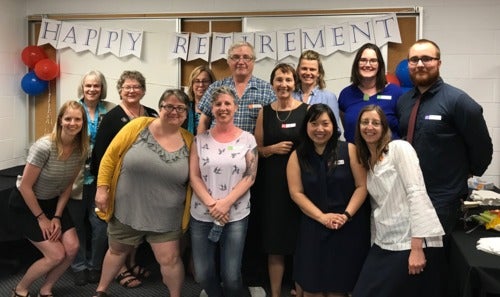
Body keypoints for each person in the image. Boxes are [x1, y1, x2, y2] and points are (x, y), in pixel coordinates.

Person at [92, 89, 193, 297]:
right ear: (160, 108)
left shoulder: (190, 141)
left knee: (170, 260)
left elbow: (196, 178)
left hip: (167, 215)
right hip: (127, 208)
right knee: (116, 251)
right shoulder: (138, 126)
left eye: (181, 108)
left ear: (186, 113)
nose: (174, 112)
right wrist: (102, 188)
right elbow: (109, 157)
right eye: (169, 106)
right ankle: (100, 291)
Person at [396, 39, 493, 234]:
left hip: (443, 200)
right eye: (414, 60)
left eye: (427, 59)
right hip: (409, 194)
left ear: (439, 63)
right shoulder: (404, 102)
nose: (420, 64)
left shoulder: (458, 101)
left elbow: (482, 148)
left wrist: (464, 176)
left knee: (436, 259)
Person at [352, 104, 445, 297]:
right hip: (384, 242)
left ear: (384, 127)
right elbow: (377, 207)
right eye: (365, 122)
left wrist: (417, 248)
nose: (369, 127)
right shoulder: (368, 161)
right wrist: (374, 242)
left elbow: (417, 193)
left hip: (409, 242)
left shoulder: (399, 149)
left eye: (375, 123)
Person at [286, 104, 370, 297]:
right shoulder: (297, 156)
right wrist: (322, 217)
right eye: (314, 123)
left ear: (333, 125)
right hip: (313, 226)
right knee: (311, 288)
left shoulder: (349, 149)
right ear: (306, 126)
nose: (320, 129)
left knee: (338, 288)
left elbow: (362, 186)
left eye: (325, 123)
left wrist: (346, 215)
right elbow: (296, 193)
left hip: (346, 226)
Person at [8, 101, 88, 297]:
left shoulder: (82, 149)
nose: (72, 123)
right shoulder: (44, 147)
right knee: (56, 254)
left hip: (53, 202)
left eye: (77, 119)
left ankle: (46, 289)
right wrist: (42, 218)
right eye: (68, 118)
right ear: (60, 120)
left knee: (72, 248)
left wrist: (58, 217)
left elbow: (68, 186)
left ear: (82, 123)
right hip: (26, 204)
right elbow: (25, 187)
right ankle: (20, 289)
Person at [90, 70, 159, 289]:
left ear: (143, 90)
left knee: (137, 225)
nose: (131, 91)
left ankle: (131, 262)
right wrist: (104, 188)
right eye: (127, 87)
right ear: (120, 90)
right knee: (120, 228)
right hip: (119, 185)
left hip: (145, 185)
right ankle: (120, 268)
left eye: (136, 87)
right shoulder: (111, 118)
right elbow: (101, 156)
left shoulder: (151, 113)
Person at [189, 86, 258, 297]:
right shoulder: (199, 140)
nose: (223, 108)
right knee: (203, 274)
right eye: (218, 104)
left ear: (236, 107)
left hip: (235, 214)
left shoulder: (248, 139)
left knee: (231, 276)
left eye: (228, 103)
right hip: (202, 213)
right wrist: (213, 205)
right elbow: (194, 177)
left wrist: (226, 203)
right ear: (212, 108)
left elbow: (250, 176)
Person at [254, 63, 308, 297]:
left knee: (300, 241)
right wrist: (272, 149)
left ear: (294, 83)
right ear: (272, 84)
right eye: (279, 80)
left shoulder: (307, 110)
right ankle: (275, 294)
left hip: (301, 184)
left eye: (288, 80)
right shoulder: (265, 112)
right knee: (275, 242)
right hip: (273, 185)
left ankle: (301, 290)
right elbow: (257, 150)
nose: (283, 84)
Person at [67, 70, 116, 286]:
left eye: (96, 85)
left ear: (102, 87)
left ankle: (95, 265)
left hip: (101, 179)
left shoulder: (112, 110)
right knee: (76, 225)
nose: (92, 89)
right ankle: (78, 267)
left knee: (100, 226)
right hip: (75, 179)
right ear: (82, 87)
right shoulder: (72, 109)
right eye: (88, 85)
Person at [197, 41, 276, 134]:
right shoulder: (215, 88)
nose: (241, 62)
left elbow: (274, 124)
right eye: (236, 57)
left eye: (246, 57)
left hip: (252, 148)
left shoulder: (267, 90)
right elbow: (204, 121)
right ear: (228, 61)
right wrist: (200, 146)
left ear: (253, 61)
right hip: (217, 147)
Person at [338, 43, 403, 143]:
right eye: (363, 60)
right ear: (357, 64)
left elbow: (404, 128)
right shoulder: (346, 94)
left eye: (373, 61)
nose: (368, 65)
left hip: (388, 155)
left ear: (380, 65)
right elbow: (347, 127)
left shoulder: (395, 93)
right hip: (355, 156)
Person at [293, 50, 342, 133]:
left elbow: (335, 130)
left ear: (319, 73)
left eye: (312, 69)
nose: (308, 73)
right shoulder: (291, 97)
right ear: (298, 70)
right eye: (304, 68)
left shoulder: (329, 97)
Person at [185, 65, 216, 135]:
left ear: (212, 84)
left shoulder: (219, 108)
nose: (201, 85)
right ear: (192, 84)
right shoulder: (184, 108)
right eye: (197, 81)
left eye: (205, 81)